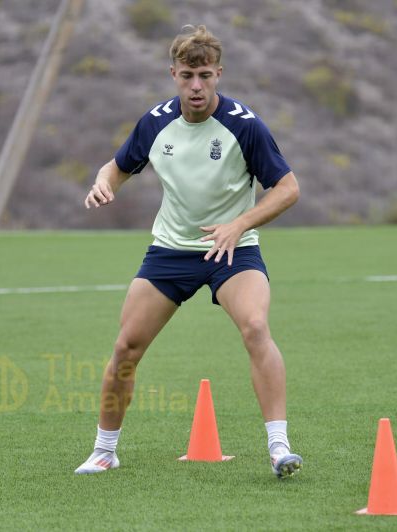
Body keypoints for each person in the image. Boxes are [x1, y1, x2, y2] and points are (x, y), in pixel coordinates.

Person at [75, 25, 302, 479]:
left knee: (256, 327)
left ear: (218, 73)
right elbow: (116, 168)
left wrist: (238, 225)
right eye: (186, 76)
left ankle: (279, 447)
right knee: (126, 347)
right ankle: (104, 450)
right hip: (171, 251)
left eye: (204, 75)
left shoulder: (244, 125)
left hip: (233, 249)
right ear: (173, 75)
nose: (195, 86)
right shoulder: (156, 121)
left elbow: (288, 189)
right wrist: (103, 182)